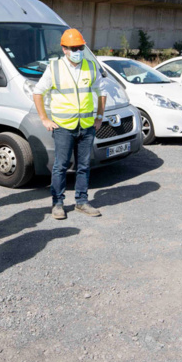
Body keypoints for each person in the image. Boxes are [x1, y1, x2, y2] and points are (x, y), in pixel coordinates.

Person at [32, 29, 107, 219]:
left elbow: (102, 92)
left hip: (86, 126)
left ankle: (82, 202)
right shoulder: (54, 68)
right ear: (64, 49)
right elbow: (38, 92)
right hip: (63, 127)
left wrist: (99, 117)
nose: (78, 51)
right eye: (74, 48)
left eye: (80, 47)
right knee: (61, 166)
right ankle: (57, 203)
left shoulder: (91, 66)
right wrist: (44, 119)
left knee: (84, 166)